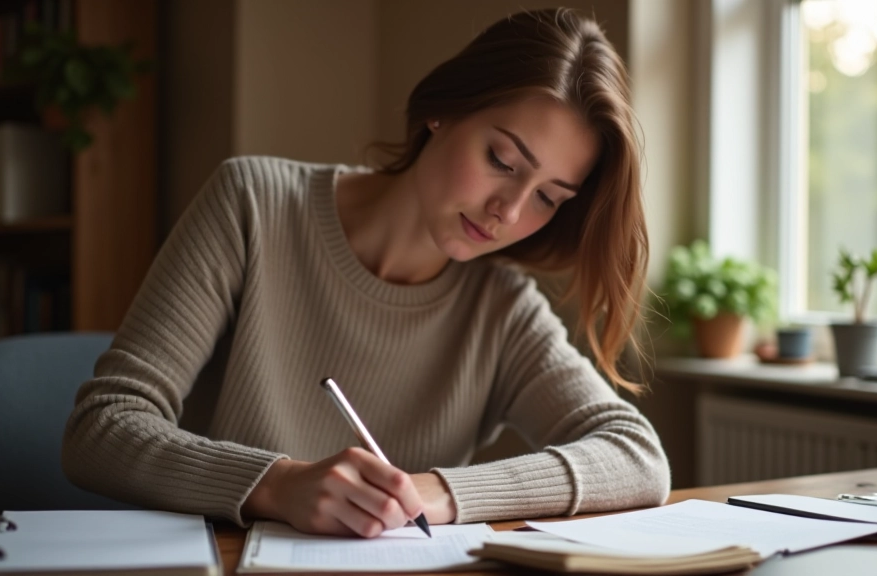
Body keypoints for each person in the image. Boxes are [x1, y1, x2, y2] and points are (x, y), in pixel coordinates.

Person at [63, 7, 670, 538]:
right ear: (441, 110)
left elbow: (637, 457)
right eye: (502, 160)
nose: (509, 211)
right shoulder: (253, 204)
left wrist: (435, 493)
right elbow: (103, 428)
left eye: (549, 197)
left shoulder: (502, 307)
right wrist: (279, 485)